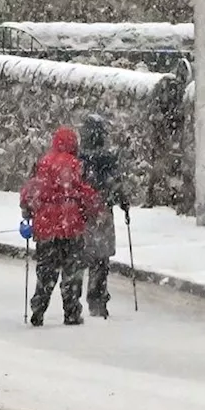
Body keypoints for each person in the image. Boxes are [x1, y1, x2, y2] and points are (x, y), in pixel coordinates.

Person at [20, 126, 104, 326]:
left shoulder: (42, 164)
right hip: (71, 226)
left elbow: (31, 190)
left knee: (46, 271)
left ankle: (39, 307)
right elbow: (84, 192)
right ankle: (72, 310)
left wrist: (28, 209)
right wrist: (94, 208)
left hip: (47, 228)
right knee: (72, 272)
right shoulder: (76, 165)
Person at [77, 114, 130, 318]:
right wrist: (123, 202)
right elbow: (115, 186)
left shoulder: (78, 160)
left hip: (82, 214)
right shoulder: (107, 160)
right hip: (102, 214)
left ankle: (73, 297)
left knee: (81, 255)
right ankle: (97, 299)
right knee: (100, 259)